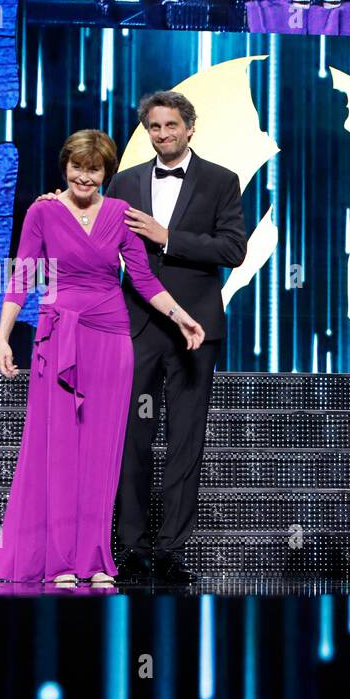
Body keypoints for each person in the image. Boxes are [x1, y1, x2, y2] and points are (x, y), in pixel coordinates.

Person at [0, 130, 205, 585]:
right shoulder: (42, 212)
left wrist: (182, 316)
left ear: (106, 173)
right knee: (59, 452)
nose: (84, 176)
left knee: (102, 453)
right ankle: (61, 559)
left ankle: (93, 559)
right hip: (58, 337)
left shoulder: (119, 215)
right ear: (64, 167)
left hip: (111, 340)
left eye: (93, 169)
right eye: (76, 167)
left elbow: (144, 281)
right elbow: (22, 277)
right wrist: (4, 336)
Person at [107, 91, 247, 584]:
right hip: (137, 325)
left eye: (170, 126)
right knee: (131, 439)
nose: (161, 134)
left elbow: (233, 248)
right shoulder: (124, 181)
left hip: (196, 327)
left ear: (190, 127)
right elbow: (96, 236)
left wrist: (166, 236)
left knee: (186, 439)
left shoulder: (220, 181)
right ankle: (133, 546)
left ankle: (171, 548)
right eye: (153, 127)